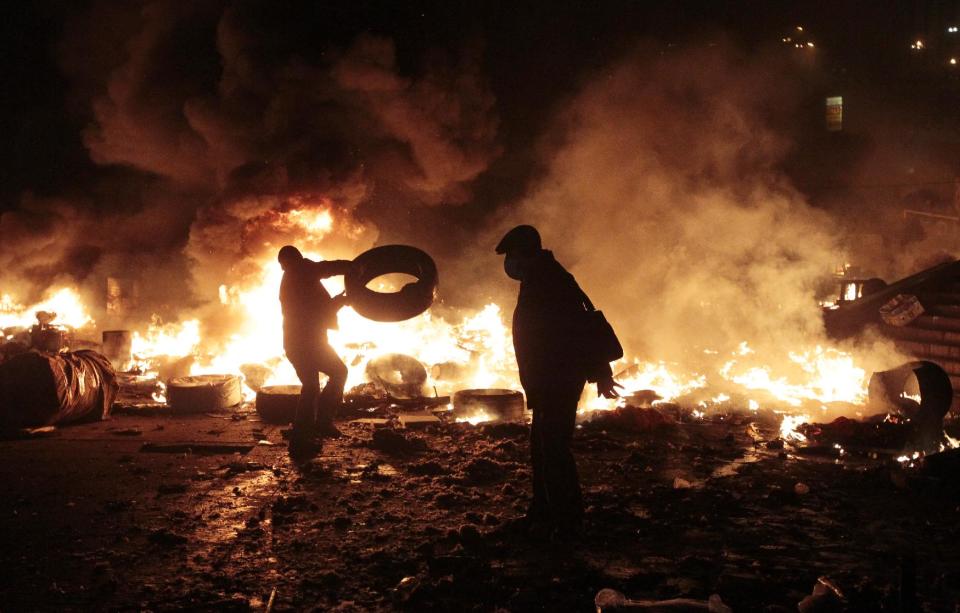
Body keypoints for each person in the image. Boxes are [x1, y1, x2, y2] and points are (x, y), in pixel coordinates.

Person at [496, 225, 621, 538]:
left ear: (526, 252)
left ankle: (567, 522)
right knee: (542, 449)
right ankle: (542, 513)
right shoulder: (539, 278)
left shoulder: (551, 281)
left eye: (511, 255)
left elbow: (576, 328)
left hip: (558, 378)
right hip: (545, 379)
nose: (509, 263)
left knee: (554, 450)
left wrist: (601, 372)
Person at [277, 245, 351, 458]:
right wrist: (355, 267)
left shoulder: (292, 278)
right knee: (338, 373)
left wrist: (339, 301)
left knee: (311, 386)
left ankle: (306, 431)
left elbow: (316, 309)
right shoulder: (299, 270)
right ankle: (319, 425)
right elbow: (328, 268)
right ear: (296, 259)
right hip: (308, 343)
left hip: (298, 343)